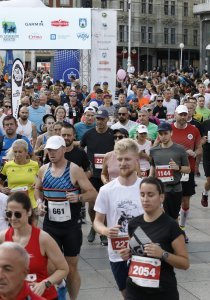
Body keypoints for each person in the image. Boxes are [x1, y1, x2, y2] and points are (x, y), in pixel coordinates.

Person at [35, 135, 97, 300]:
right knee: (49, 266)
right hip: (50, 225)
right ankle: (59, 289)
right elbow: (38, 189)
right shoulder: (43, 169)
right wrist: (39, 202)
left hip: (70, 226)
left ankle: (73, 298)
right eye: (49, 150)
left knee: (70, 267)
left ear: (63, 149)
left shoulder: (74, 169)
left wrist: (78, 198)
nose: (52, 153)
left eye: (55, 149)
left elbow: (92, 193)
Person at [120, 177, 189, 300]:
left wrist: (163, 254)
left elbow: (185, 263)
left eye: (150, 195)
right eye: (142, 195)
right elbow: (136, 253)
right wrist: (129, 253)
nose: (145, 199)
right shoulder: (133, 224)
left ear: (161, 197)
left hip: (162, 292)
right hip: (134, 290)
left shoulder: (171, 226)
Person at [93, 138, 144, 298]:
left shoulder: (147, 187)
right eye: (120, 159)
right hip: (117, 249)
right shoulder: (106, 190)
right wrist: (105, 231)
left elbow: (158, 221)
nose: (123, 163)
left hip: (143, 246)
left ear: (136, 160)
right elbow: (97, 221)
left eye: (127, 159)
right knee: (126, 293)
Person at [0, 192, 69, 299]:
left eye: (17, 214)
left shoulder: (43, 238)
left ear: (29, 212)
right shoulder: (3, 237)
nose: (12, 218)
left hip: (43, 296)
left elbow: (63, 269)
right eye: (9, 214)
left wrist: (45, 283)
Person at [80, 109, 115, 244]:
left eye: (102, 119)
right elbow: (81, 148)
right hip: (93, 175)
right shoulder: (89, 134)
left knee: (106, 205)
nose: (100, 121)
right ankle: (94, 227)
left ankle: (102, 231)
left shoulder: (112, 134)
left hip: (107, 175)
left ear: (107, 120)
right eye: (98, 118)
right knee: (92, 205)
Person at [171, 105, 201, 242]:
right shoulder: (169, 129)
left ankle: (182, 228)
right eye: (180, 114)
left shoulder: (193, 130)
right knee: (173, 200)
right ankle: (174, 229)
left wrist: (194, 153)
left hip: (187, 170)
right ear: (175, 114)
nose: (183, 117)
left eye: (185, 114)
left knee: (186, 200)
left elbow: (199, 147)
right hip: (172, 170)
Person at [150, 122, 190, 220]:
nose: (163, 136)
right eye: (161, 134)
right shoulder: (153, 150)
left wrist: (178, 168)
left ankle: (177, 235)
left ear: (171, 133)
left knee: (173, 218)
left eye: (165, 133)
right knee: (159, 218)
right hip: (160, 189)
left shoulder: (180, 149)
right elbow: (153, 168)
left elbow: (188, 169)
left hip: (174, 189)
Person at [0, 139, 39, 221]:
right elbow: (0, 182)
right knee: (16, 232)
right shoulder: (7, 165)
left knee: (34, 232)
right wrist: (2, 188)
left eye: (20, 152)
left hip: (32, 204)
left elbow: (42, 182)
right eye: (15, 151)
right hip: (14, 205)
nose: (17, 154)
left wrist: (37, 185)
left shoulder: (34, 165)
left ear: (26, 152)